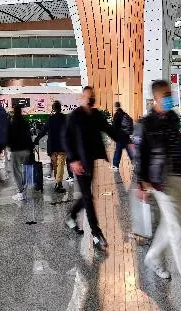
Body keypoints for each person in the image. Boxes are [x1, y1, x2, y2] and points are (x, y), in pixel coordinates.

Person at [137, 80, 181, 309]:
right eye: (165, 95)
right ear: (156, 98)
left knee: (170, 225)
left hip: (180, 175)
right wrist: (141, 181)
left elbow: (177, 142)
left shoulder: (173, 118)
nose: (169, 98)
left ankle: (152, 257)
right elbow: (141, 155)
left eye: (170, 94)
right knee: (178, 232)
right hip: (161, 181)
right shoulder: (146, 124)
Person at [63, 85, 128, 250]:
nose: (90, 99)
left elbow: (110, 130)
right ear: (82, 97)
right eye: (87, 96)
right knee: (88, 196)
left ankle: (71, 216)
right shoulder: (75, 116)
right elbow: (67, 138)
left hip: (90, 161)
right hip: (78, 162)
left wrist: (128, 141)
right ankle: (96, 233)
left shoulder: (96, 115)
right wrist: (73, 160)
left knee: (87, 195)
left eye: (92, 96)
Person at [33, 100, 67, 193]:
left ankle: (58, 183)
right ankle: (58, 183)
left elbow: (43, 131)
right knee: (60, 165)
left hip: (52, 146)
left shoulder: (50, 119)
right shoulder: (65, 118)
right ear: (60, 108)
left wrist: (36, 139)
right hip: (62, 146)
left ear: (53, 109)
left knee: (56, 165)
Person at [7, 103, 34, 201]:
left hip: (16, 150)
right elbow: (29, 136)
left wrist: (8, 145)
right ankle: (25, 190)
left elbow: (8, 137)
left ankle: (20, 191)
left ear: (14, 112)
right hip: (26, 150)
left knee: (16, 171)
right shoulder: (25, 122)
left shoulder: (11, 123)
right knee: (25, 170)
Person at [111, 101, 135, 170]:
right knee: (130, 151)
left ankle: (115, 166)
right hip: (126, 136)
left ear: (115, 107)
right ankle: (135, 164)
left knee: (118, 151)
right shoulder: (124, 113)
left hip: (120, 136)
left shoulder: (116, 115)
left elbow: (114, 127)